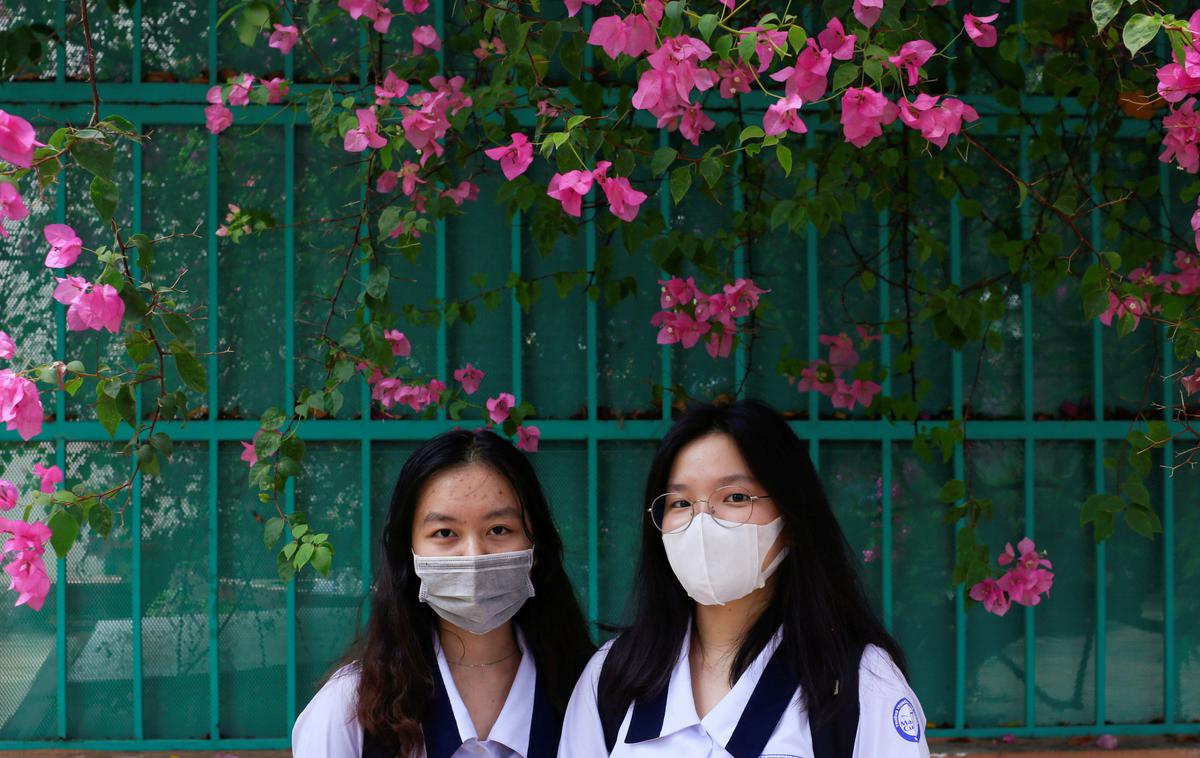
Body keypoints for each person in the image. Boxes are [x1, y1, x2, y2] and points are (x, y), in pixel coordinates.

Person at [560, 399, 930, 757]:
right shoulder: (613, 677)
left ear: (791, 517)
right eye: (680, 503)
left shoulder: (858, 682)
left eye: (735, 497)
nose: (702, 521)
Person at [293, 428, 594, 758]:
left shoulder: (593, 694)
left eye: (498, 530)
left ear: (535, 549)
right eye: (445, 532)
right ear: (410, 553)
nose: (474, 555)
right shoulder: (348, 710)